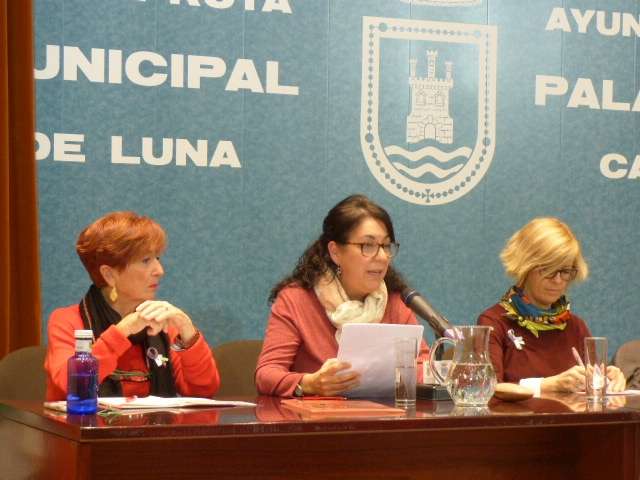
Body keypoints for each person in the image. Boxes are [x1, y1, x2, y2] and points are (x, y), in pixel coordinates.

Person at [255, 194, 428, 397]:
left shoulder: (396, 301)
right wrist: (310, 383)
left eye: (386, 246)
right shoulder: (296, 300)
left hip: (383, 414)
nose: (382, 257)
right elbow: (266, 374)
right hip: (320, 416)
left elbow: (423, 365)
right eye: (368, 246)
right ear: (335, 252)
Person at [45, 211, 220, 400]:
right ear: (109, 274)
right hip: (88, 420)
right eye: (146, 260)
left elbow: (203, 391)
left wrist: (187, 330)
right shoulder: (68, 321)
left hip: (157, 420)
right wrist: (123, 330)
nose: (159, 271)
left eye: (157, 258)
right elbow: (71, 385)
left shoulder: (160, 322)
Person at [477, 217, 625, 396]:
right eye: (548, 269)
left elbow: (594, 389)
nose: (558, 280)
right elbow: (487, 389)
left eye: (565, 271)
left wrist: (607, 380)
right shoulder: (494, 322)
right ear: (525, 266)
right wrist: (548, 385)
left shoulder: (576, 326)